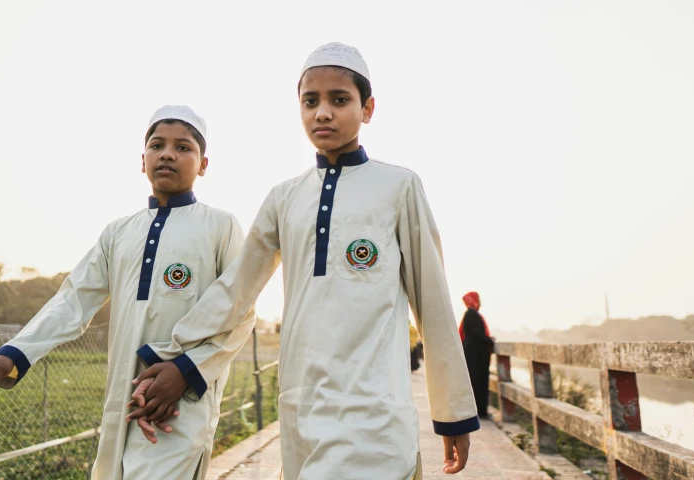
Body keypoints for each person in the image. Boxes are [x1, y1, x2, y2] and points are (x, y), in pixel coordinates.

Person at [127, 43, 479, 478]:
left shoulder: (399, 187)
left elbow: (433, 303)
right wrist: (179, 359)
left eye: (340, 99)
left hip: (375, 409)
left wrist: (453, 413)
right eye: (310, 101)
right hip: (300, 407)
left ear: (368, 109)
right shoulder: (285, 197)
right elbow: (236, 289)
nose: (323, 113)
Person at [0, 105, 254, 479]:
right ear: (142, 159)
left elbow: (240, 311)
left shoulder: (221, 226)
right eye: (157, 145)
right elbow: (73, 300)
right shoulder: (118, 232)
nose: (167, 153)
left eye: (183, 147)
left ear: (203, 164)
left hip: (181, 403)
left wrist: (184, 372)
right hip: (123, 399)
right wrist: (14, 354)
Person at [458, 291, 494, 419]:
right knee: (478, 381)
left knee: (475, 381)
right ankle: (480, 411)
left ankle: (477, 410)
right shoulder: (472, 314)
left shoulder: (470, 314)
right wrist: (489, 340)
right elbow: (477, 334)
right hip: (476, 355)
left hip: (473, 353)